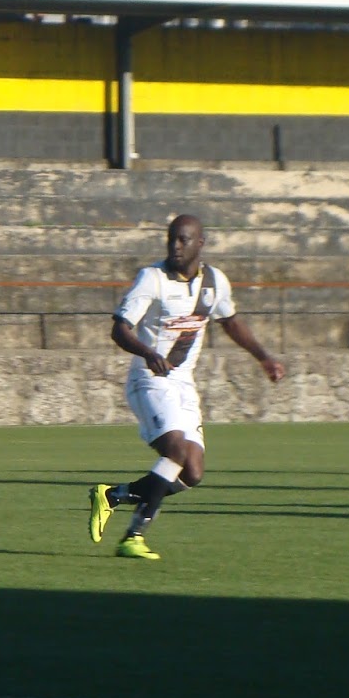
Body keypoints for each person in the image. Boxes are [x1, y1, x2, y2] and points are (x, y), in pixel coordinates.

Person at [88, 213, 285, 560]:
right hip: (149, 379)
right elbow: (119, 329)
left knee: (192, 472)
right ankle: (134, 535)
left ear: (200, 244)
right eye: (171, 239)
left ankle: (112, 496)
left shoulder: (214, 281)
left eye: (183, 239)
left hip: (182, 383)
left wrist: (264, 357)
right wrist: (148, 353)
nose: (175, 246)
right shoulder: (152, 278)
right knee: (176, 451)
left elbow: (230, 322)